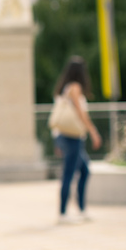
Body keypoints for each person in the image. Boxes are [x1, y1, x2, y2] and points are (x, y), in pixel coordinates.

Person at [52, 56, 102, 224]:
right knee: (69, 173)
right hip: (72, 137)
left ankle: (80, 209)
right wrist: (93, 131)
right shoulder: (75, 87)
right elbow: (81, 114)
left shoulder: (65, 88)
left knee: (84, 170)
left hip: (65, 136)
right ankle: (63, 213)